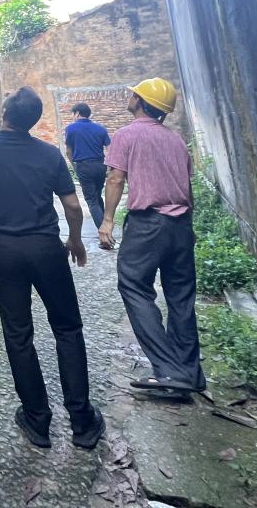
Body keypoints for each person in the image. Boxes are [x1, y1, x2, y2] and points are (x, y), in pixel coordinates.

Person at [0, 87, 105, 449]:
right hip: (46, 249)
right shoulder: (48, 153)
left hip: (5, 251)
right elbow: (72, 206)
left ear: (5, 112)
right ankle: (82, 421)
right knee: (67, 328)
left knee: (18, 332)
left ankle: (37, 420)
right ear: (33, 120)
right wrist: (74, 240)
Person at [98, 78, 205, 399]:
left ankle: (169, 370)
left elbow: (116, 179)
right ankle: (190, 373)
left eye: (134, 94)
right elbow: (186, 185)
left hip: (148, 224)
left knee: (134, 286)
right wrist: (188, 226)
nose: (130, 96)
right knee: (181, 296)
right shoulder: (176, 140)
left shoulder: (127, 134)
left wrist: (107, 220)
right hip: (181, 224)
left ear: (140, 101)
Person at [64, 102, 111, 232]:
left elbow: (68, 151)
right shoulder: (101, 129)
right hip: (100, 166)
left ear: (77, 113)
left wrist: (74, 167)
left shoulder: (70, 129)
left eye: (73, 114)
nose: (72, 117)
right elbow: (111, 149)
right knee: (97, 196)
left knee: (91, 201)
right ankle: (106, 224)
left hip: (84, 166)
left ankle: (104, 232)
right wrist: (108, 166)